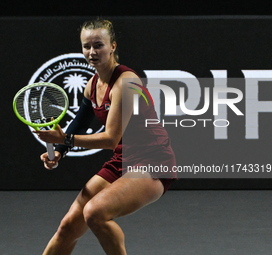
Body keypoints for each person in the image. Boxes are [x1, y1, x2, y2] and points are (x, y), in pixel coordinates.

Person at [34, 19, 177, 255]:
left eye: (98, 45)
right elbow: (80, 122)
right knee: (68, 226)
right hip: (122, 160)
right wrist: (60, 151)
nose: (92, 52)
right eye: (86, 46)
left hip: (154, 161)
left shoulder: (127, 82)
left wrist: (64, 140)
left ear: (112, 46)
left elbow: (111, 138)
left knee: (95, 212)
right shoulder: (92, 85)